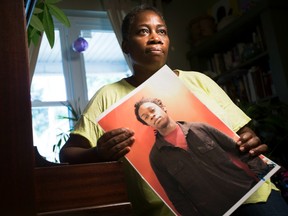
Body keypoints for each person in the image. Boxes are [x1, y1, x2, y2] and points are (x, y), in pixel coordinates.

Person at [59, 4, 287, 216]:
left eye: (162, 31)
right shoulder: (107, 96)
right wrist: (99, 152)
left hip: (252, 199)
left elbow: (244, 133)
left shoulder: (199, 81)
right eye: (142, 32)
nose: (155, 38)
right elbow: (68, 154)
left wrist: (250, 140)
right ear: (125, 45)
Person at [134, 97, 273, 216]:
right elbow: (175, 196)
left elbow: (240, 150)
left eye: (152, 110)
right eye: (145, 117)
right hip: (215, 212)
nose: (151, 116)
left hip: (250, 196)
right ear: (146, 123)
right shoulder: (156, 157)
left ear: (163, 107)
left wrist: (265, 173)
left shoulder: (200, 128)